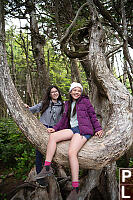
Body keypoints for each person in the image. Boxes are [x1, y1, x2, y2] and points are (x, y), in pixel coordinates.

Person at [36, 82, 103, 199]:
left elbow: (92, 115)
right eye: (74, 90)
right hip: (72, 129)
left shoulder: (85, 101)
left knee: (72, 153)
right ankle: (47, 167)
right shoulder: (67, 104)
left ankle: (75, 187)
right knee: (53, 137)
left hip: (83, 130)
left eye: (79, 90)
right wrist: (55, 129)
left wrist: (98, 128)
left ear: (80, 92)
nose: (77, 92)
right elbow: (63, 121)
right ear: (70, 92)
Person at [25, 85, 63, 177]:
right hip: (43, 128)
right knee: (39, 152)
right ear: (50, 94)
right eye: (52, 92)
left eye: (56, 91)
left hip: (55, 129)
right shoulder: (44, 103)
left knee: (53, 151)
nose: (55, 93)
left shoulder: (63, 105)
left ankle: (53, 173)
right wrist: (26, 107)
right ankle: (39, 174)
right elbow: (32, 110)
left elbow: (64, 119)